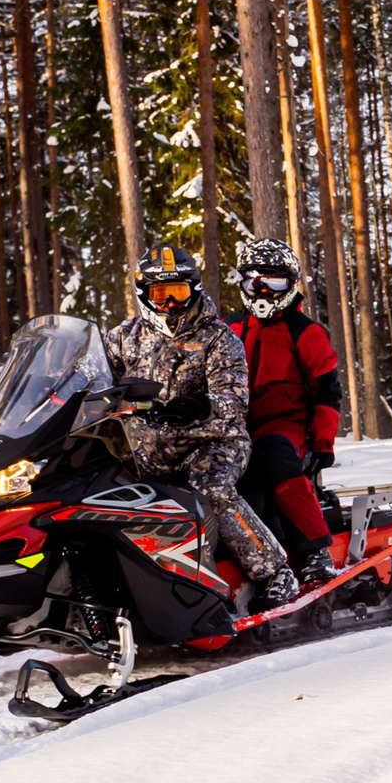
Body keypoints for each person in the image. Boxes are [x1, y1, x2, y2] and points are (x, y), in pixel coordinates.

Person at [110, 243, 301, 609]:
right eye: (160, 295)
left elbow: (235, 401)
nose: (169, 305)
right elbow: (86, 376)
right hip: (145, 447)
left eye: (177, 294)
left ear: (194, 291)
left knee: (209, 486)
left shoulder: (218, 338)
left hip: (213, 443)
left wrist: (198, 406)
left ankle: (276, 574)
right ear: (144, 295)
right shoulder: (124, 338)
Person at [229, 237, 346, 586]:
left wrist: (323, 445)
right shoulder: (230, 327)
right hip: (233, 425)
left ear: (290, 283)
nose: (262, 290)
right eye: (254, 282)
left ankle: (315, 553)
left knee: (273, 456)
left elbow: (328, 391)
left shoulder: (305, 331)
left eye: (273, 281)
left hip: (286, 425)